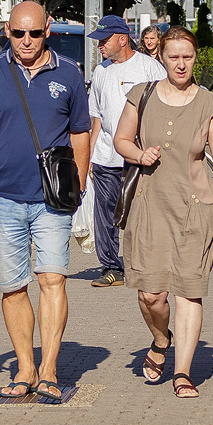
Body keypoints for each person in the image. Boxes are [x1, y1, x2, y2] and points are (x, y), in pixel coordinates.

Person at [0, 1, 91, 401]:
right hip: (3, 197)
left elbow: (80, 133)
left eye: (33, 33)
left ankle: (49, 369)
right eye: (18, 33)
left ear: (47, 29)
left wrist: (79, 185)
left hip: (52, 197)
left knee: (52, 278)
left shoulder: (69, 73)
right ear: (7, 31)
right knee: (13, 287)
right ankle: (25, 367)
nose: (26, 40)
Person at [113, 27, 213, 399]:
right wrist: (139, 154)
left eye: (187, 57)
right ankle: (161, 340)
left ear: (195, 59)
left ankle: (182, 372)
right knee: (151, 295)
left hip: (194, 210)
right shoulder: (141, 95)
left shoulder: (209, 104)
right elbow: (120, 139)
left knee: (188, 293)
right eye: (173, 56)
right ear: (161, 57)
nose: (180, 64)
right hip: (149, 207)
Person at [85, 15, 166, 287]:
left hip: (141, 156)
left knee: (142, 212)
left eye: (104, 40)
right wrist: (89, 156)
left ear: (122, 39)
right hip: (106, 156)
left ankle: (147, 263)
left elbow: (166, 108)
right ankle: (111, 267)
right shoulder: (101, 72)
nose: (99, 46)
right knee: (105, 214)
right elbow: (97, 117)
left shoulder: (149, 68)